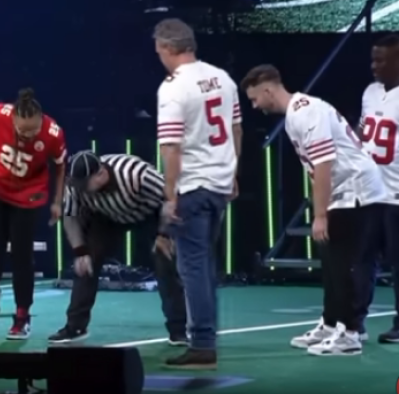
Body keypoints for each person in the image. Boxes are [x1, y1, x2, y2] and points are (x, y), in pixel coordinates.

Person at [241, 64, 386, 356]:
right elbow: (316, 166)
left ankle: (351, 332)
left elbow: (324, 164)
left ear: (268, 89)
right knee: (332, 263)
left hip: (356, 192)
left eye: (255, 98)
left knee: (346, 263)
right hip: (342, 192)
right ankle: (332, 324)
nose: (255, 106)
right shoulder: (298, 113)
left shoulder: (307, 112)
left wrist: (320, 215)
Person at [154, 19, 242, 369]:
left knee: (192, 268)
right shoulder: (223, 78)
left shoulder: (173, 87)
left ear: (170, 48)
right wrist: (233, 172)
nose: (159, 56)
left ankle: (202, 342)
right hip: (219, 184)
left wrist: (169, 195)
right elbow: (236, 128)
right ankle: (204, 338)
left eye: (159, 50)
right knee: (204, 265)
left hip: (191, 186)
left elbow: (171, 147)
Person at [48, 150, 187, 345]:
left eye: (86, 185)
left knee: (165, 264)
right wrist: (80, 251)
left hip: (151, 213)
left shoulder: (136, 174)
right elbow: (71, 218)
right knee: (86, 264)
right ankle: (75, 327)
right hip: (107, 216)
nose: (82, 190)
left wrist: (164, 234)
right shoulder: (75, 186)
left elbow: (170, 198)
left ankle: (178, 329)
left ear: (101, 174)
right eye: (78, 186)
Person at [0, 88, 67, 339]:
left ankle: (22, 314)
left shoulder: (53, 133)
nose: (28, 135)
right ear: (14, 120)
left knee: (22, 254)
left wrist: (57, 202)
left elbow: (60, 166)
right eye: (22, 130)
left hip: (28, 194)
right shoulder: (0, 113)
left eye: (32, 130)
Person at [356, 34, 399, 344]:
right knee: (362, 257)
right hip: (370, 190)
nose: (374, 66)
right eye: (373, 59)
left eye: (381, 60)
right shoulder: (370, 92)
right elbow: (363, 131)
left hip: (397, 192)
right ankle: (354, 319)